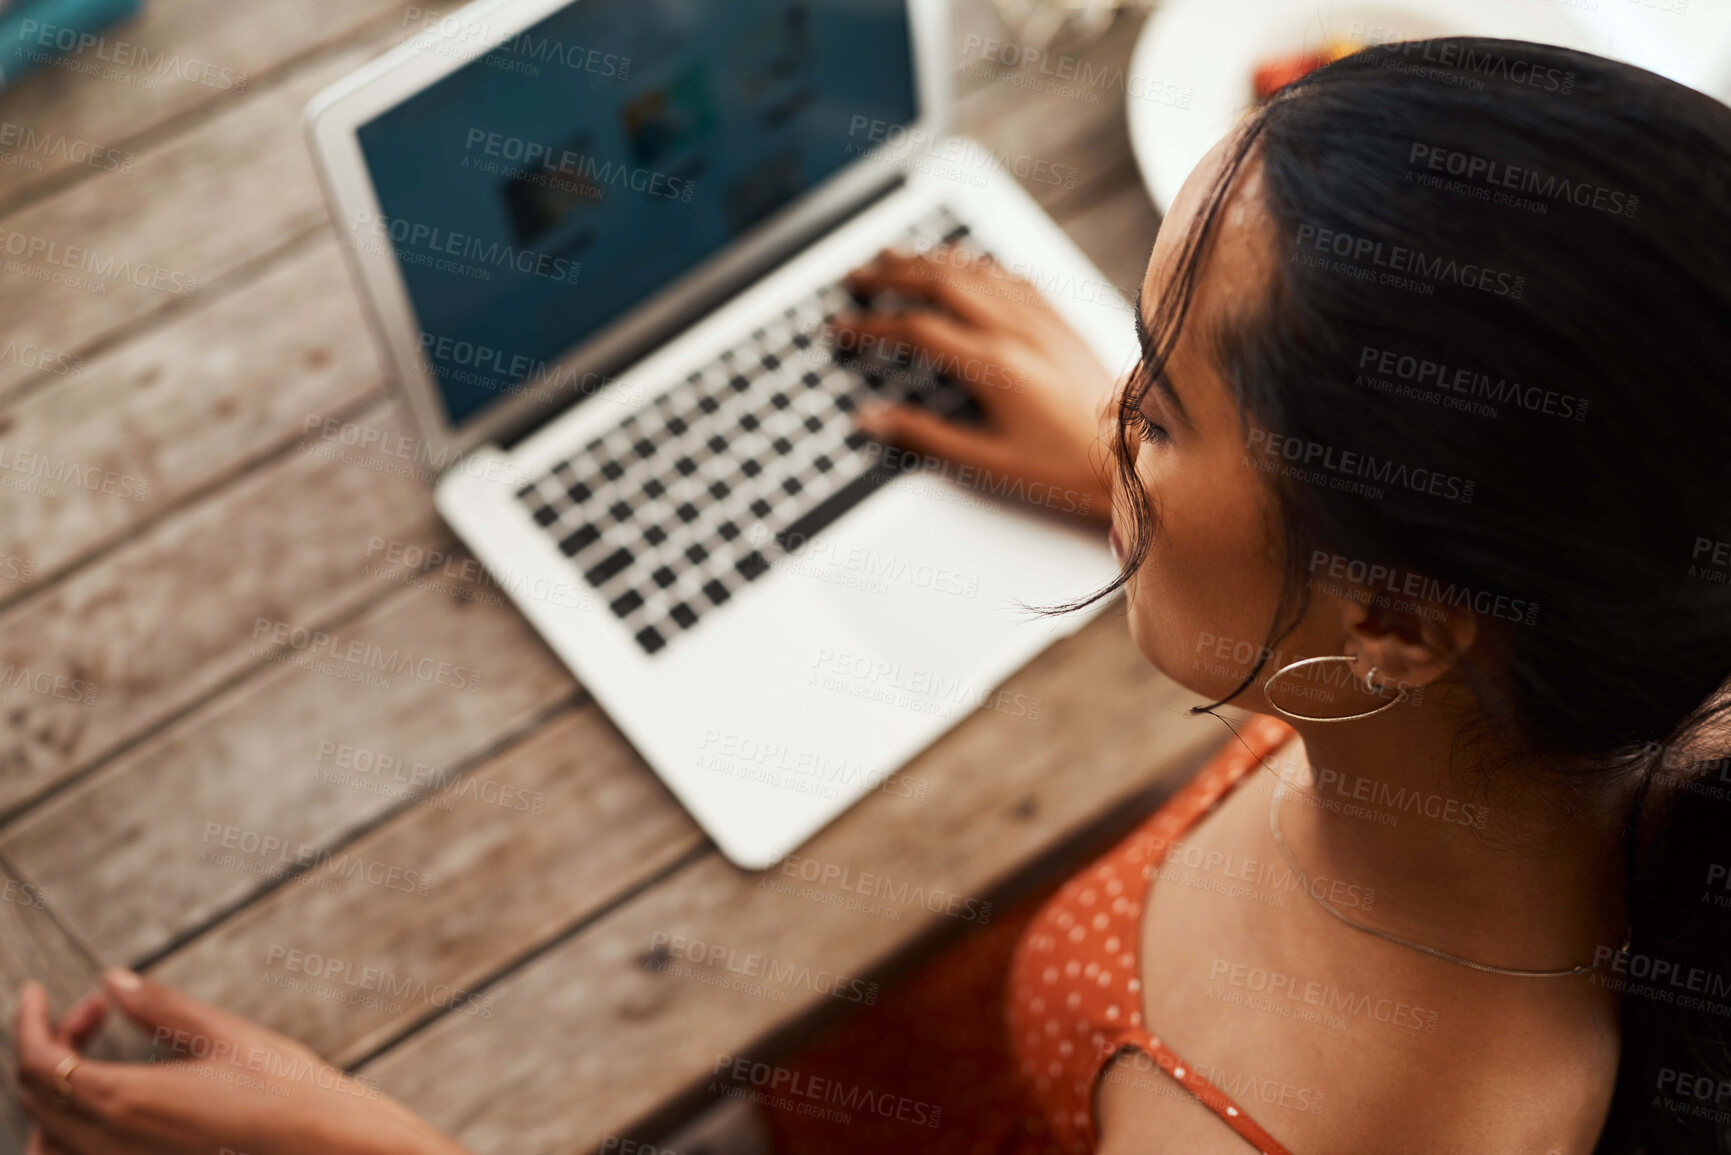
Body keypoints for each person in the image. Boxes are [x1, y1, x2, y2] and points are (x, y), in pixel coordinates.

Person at [16, 35, 1731, 1155]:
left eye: (1162, 395)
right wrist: (1144, 481)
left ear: (1392, 628)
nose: (1112, 407)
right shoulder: (1649, 686)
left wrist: (361, 1146)